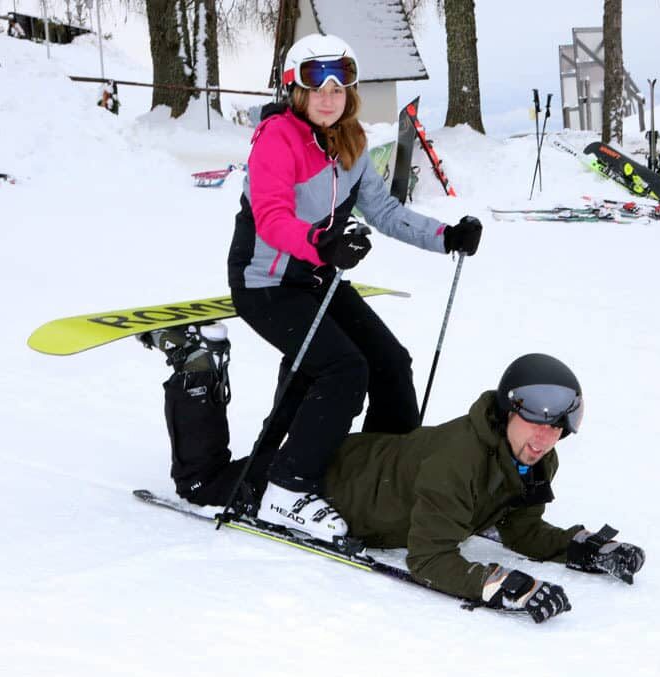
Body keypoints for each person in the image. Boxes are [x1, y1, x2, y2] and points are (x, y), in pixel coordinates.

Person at [145, 33, 483, 544]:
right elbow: (272, 218)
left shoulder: (352, 143)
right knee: (342, 368)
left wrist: (446, 236)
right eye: (315, 83)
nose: (329, 94)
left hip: (317, 276)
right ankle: (287, 488)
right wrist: (320, 244)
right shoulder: (276, 139)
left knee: (391, 362)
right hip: (266, 282)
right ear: (295, 90)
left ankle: (390, 475)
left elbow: (384, 211)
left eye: (340, 83)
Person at [142, 347, 646, 623]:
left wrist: (581, 550)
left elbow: (519, 528)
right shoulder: (458, 461)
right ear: (506, 411)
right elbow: (428, 559)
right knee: (203, 482)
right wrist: (499, 586)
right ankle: (196, 366)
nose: (545, 439)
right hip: (326, 481)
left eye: (558, 428)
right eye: (537, 424)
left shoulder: (535, 460)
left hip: (369, 464)